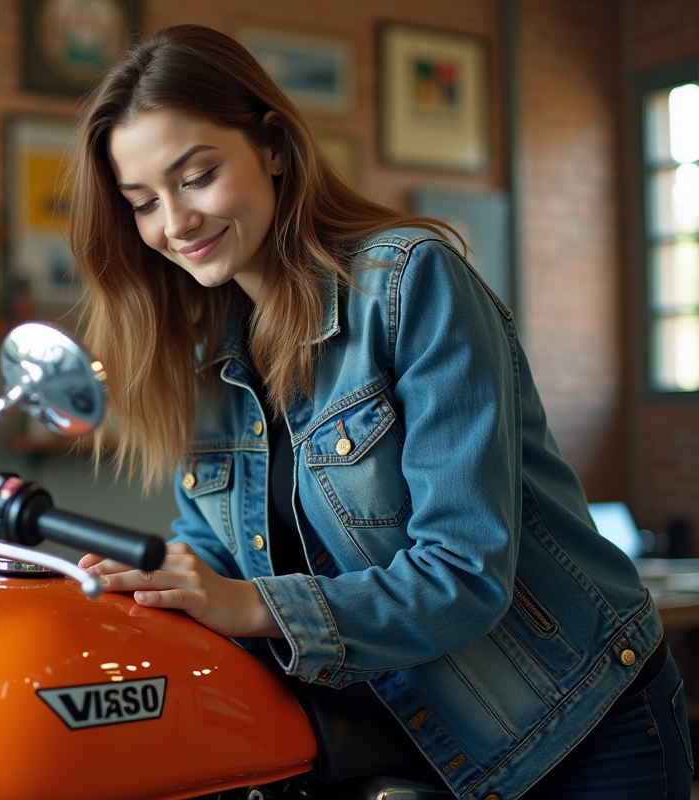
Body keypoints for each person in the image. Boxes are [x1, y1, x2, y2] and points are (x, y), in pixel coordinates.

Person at [69, 23, 692, 800]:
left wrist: (246, 604)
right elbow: (218, 553)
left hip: (579, 720)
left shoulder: (409, 285)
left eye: (197, 176)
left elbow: (465, 570)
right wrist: (145, 583)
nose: (174, 223)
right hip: (410, 752)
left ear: (273, 146)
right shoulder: (205, 356)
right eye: (142, 203)